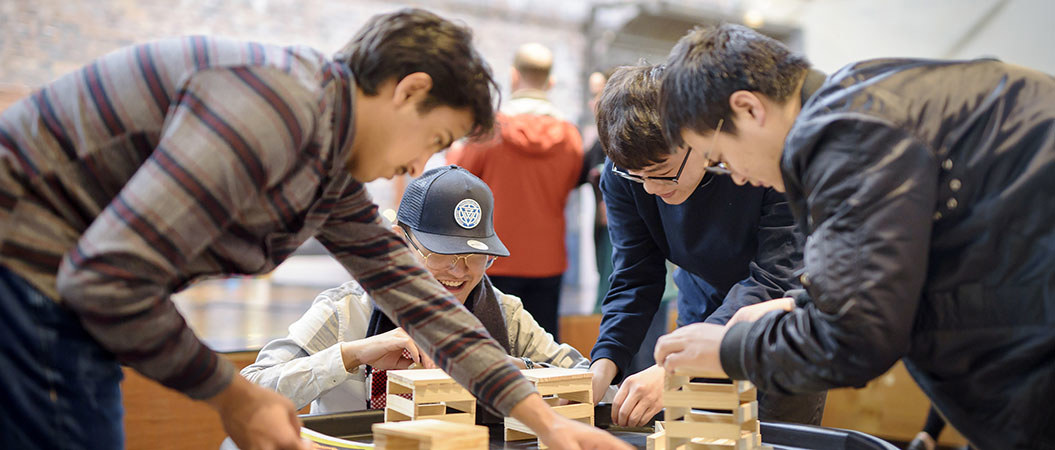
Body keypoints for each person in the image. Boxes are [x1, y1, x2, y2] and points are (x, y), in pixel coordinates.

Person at [0, 8, 630, 450]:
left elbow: (421, 304)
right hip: (28, 277)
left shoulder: (324, 165)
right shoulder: (273, 109)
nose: (416, 168)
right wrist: (233, 396)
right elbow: (105, 279)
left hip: (60, 296)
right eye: (434, 141)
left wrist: (548, 426)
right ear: (408, 92)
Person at [653, 23, 1055, 450]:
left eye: (720, 157)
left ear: (749, 108)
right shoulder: (860, 101)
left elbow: (856, 338)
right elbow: (896, 269)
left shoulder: (844, 134)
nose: (735, 175)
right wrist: (798, 305)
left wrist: (727, 349)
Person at [242, 165, 592, 414]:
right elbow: (252, 387)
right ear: (400, 242)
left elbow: (586, 379)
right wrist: (351, 355)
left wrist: (518, 369)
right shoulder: (346, 311)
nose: (460, 271)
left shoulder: (504, 312)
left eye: (476, 256)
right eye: (441, 254)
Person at [587, 64, 824, 427]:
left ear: (697, 136)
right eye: (637, 176)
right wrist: (603, 364)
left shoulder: (762, 161)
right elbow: (635, 275)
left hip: (780, 310)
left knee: (776, 433)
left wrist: (673, 368)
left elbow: (776, 276)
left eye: (661, 170)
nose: (650, 188)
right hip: (701, 302)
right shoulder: (625, 174)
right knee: (696, 431)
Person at [447, 42, 583, 340]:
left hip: (491, 258)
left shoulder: (488, 131)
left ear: (512, 76)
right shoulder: (571, 137)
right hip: (549, 260)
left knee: (488, 352)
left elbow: (454, 180)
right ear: (550, 81)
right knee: (544, 352)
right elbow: (570, 185)